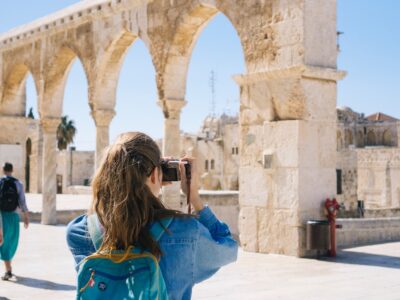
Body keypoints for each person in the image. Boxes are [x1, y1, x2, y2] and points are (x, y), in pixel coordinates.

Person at [66, 132, 238, 299]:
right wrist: (194, 199)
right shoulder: (185, 232)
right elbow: (228, 248)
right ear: (156, 174)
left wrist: (152, 175)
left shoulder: (79, 232)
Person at [0, 162, 29, 281]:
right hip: (14, 216)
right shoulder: (18, 183)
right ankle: (9, 268)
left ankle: (8, 270)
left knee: (4, 243)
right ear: (12, 170)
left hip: (2, 216)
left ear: (3, 170)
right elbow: (22, 201)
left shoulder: (0, 182)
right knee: (11, 242)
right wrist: (26, 217)